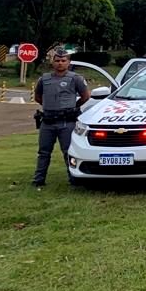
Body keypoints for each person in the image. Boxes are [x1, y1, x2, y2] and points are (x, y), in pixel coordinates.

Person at [33, 47, 91, 188]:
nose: (60, 63)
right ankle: (38, 180)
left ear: (68, 62)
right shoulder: (44, 79)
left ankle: (73, 179)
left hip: (67, 121)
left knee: (68, 152)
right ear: (52, 62)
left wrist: (73, 108)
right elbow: (38, 97)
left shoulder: (76, 78)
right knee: (43, 152)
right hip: (47, 122)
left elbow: (86, 96)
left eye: (63, 60)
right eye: (57, 60)